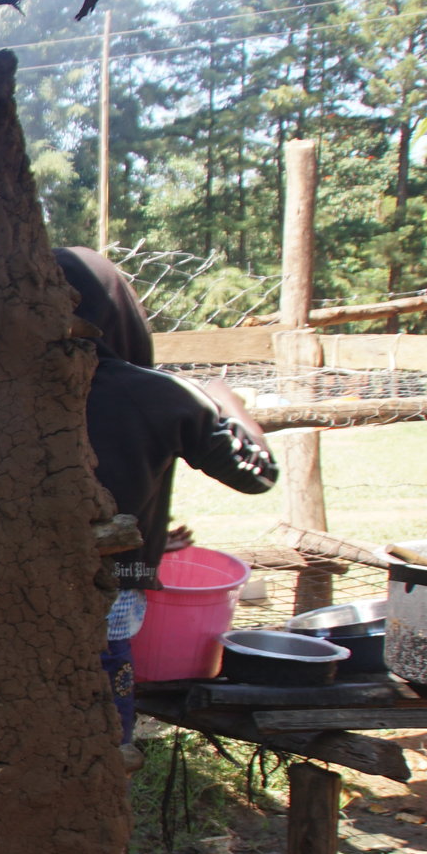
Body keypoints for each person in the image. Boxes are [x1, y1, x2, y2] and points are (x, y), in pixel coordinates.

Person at [60, 247, 278, 760]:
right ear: (121, 312)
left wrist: (152, 531)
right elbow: (256, 475)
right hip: (110, 592)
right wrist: (225, 399)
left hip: (7, 593)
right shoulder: (158, 395)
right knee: (98, 733)